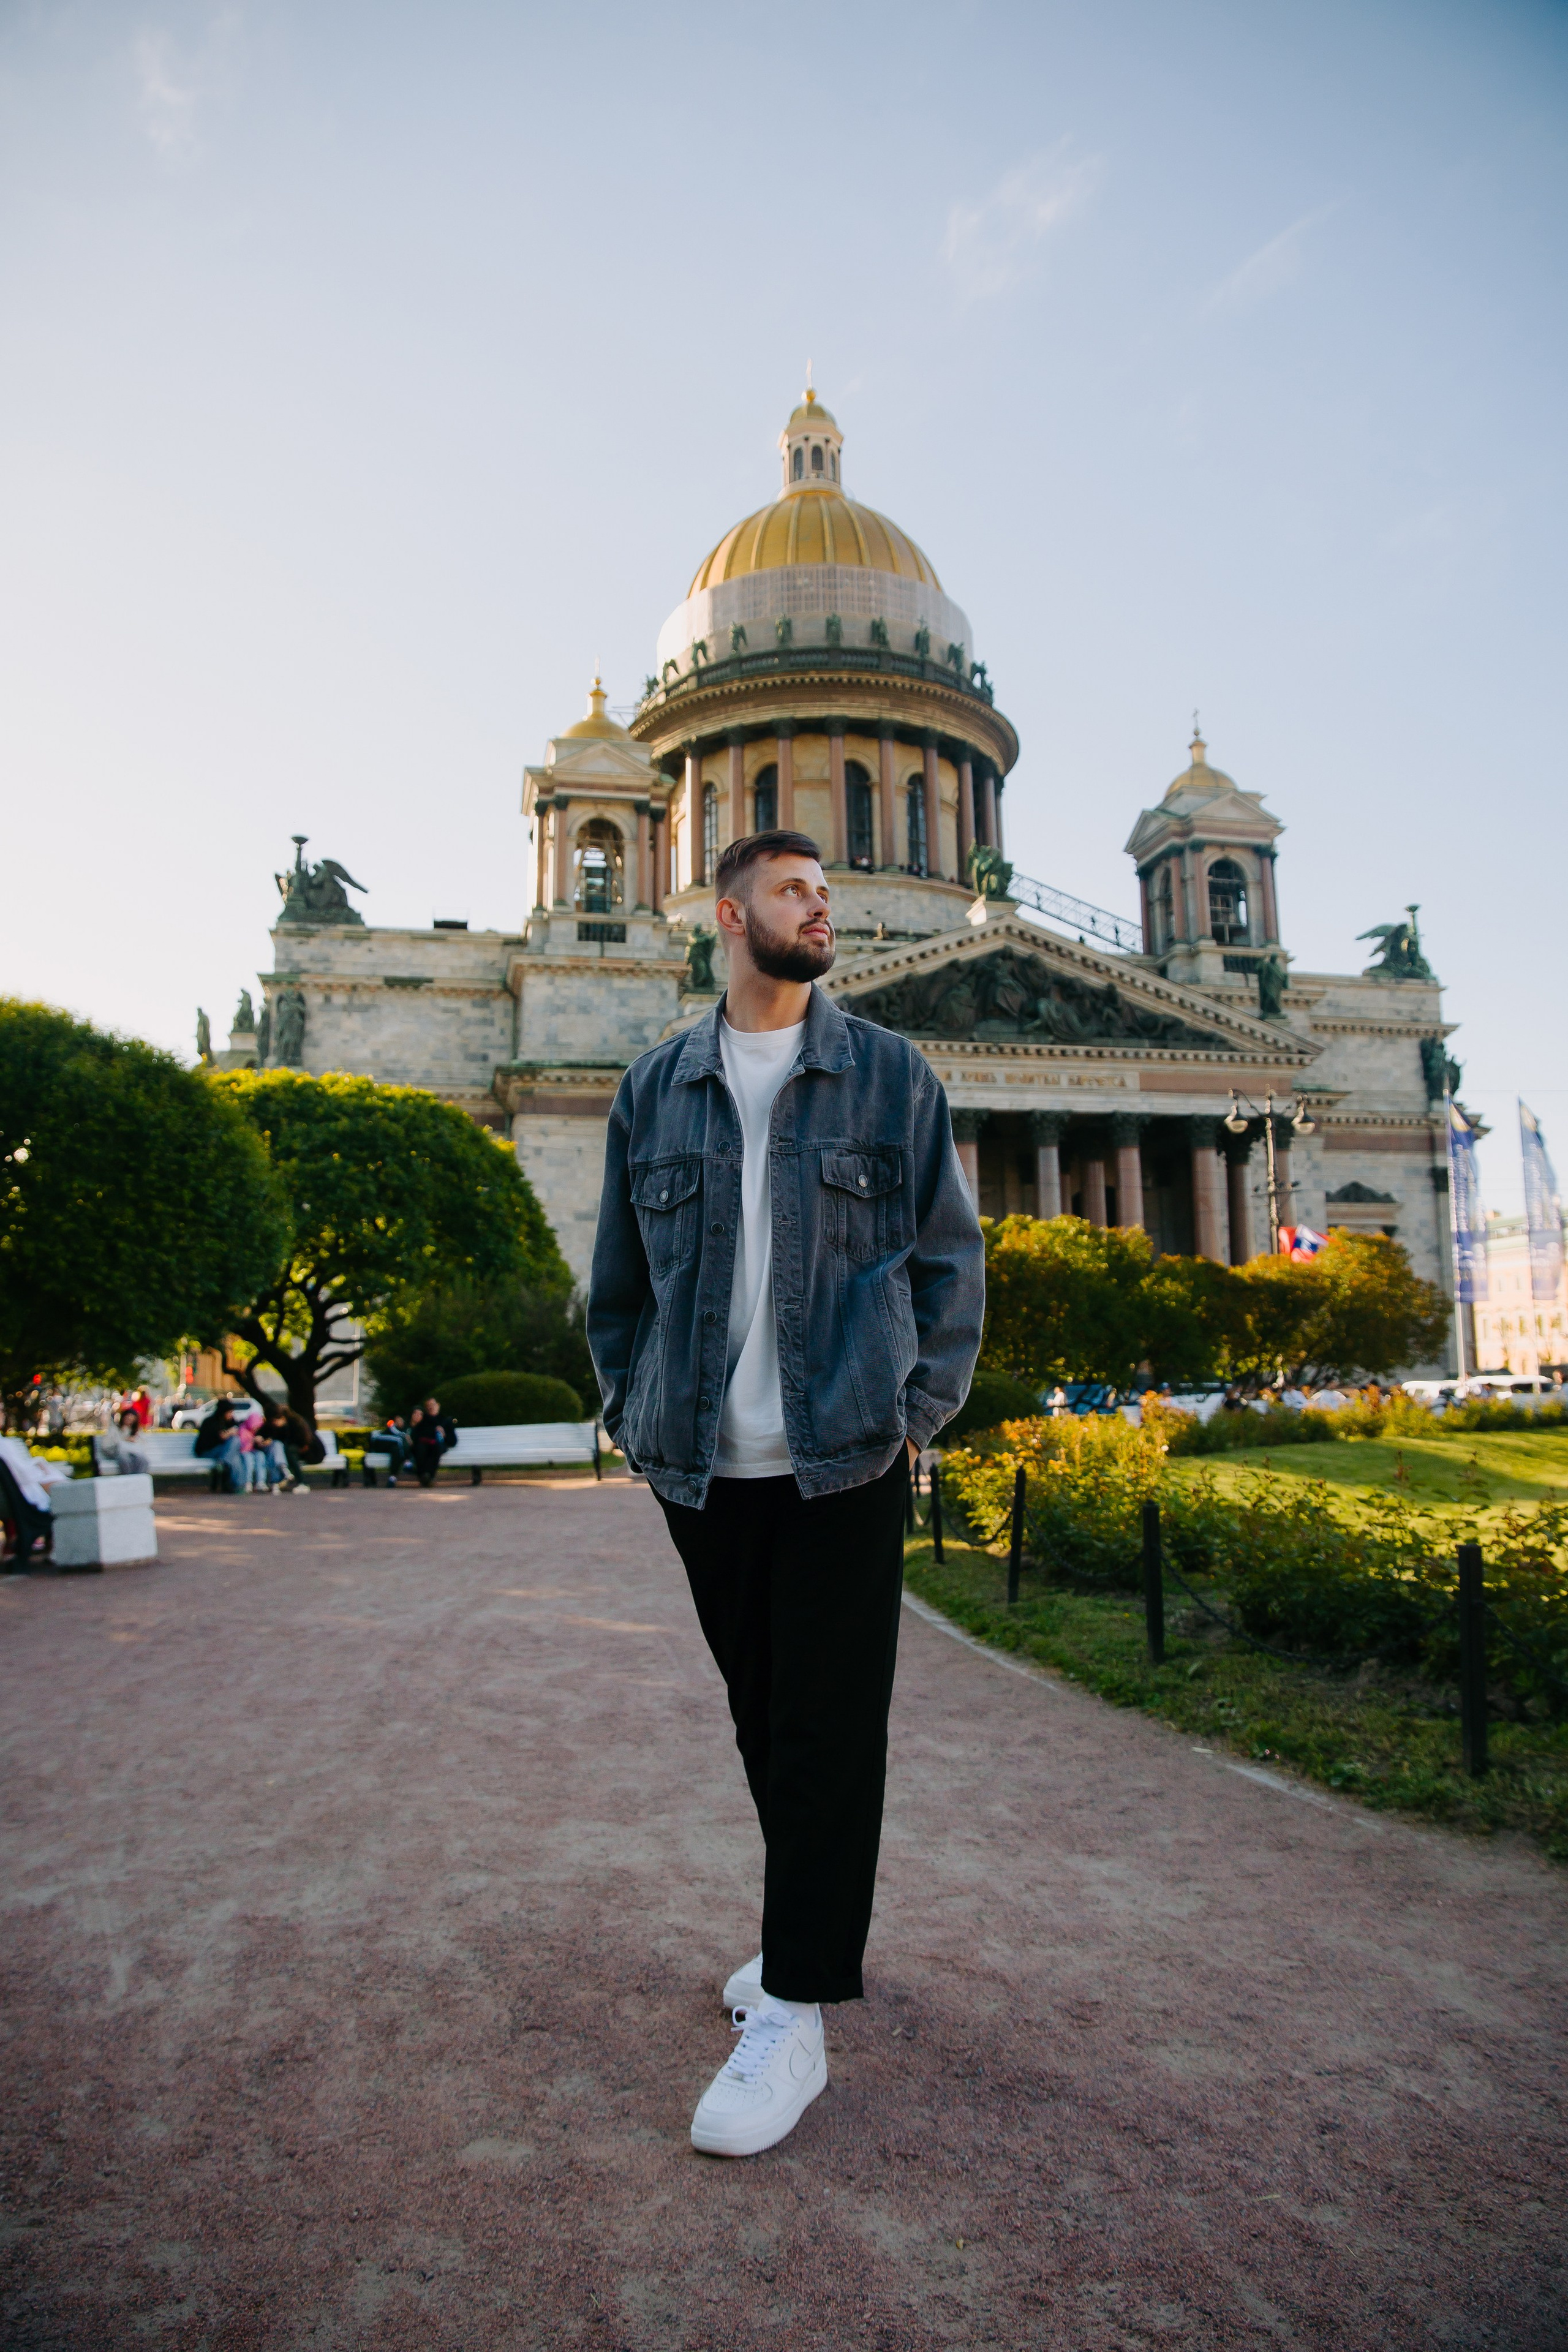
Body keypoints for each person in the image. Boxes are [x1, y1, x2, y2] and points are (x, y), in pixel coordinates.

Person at [588, 829, 984, 2160]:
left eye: (829, 890)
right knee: (765, 1722)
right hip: (704, 1467)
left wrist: (908, 1417)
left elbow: (947, 1263)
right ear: (727, 911)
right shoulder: (653, 1088)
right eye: (795, 890)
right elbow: (618, 1289)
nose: (823, 908)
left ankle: (797, 2007)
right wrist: (634, 1423)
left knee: (826, 1730)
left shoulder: (889, 1073)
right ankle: (793, 1939)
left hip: (841, 1458)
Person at [0, 1433, 70, 1564]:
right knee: (69, 1493)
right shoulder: (3, 1444)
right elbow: (24, 1474)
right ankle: (62, 1549)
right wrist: (40, 1466)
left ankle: (57, 1547)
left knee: (65, 1488)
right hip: (25, 1496)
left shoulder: (4, 1443)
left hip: (18, 1494)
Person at [194, 1397, 249, 1493]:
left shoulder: (231, 1422)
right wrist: (228, 1433)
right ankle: (239, 1486)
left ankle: (223, 1464)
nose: (231, 1415)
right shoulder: (210, 1422)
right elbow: (217, 1439)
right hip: (208, 1451)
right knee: (234, 1454)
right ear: (223, 1412)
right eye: (229, 1412)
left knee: (235, 1455)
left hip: (223, 1453)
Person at [409, 1399, 456, 1488]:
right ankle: (426, 1477)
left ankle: (428, 1476)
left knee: (436, 1448)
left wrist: (444, 1435)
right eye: (428, 1406)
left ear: (438, 1405)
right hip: (423, 1445)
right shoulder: (423, 1421)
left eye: (433, 1405)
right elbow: (415, 1435)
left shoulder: (446, 1420)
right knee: (420, 1448)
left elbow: (453, 1441)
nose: (431, 1407)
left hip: (438, 1446)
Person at [94, 1408, 150, 1477]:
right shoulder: (114, 1429)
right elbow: (106, 1446)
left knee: (143, 1461)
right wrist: (124, 1440)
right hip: (117, 1453)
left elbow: (142, 1444)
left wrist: (135, 1440)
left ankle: (138, 1480)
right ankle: (127, 1479)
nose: (129, 1421)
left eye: (132, 1420)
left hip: (134, 1453)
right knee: (125, 1460)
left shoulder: (136, 1431)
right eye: (127, 1418)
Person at [364, 1413, 410, 1487]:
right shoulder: (392, 1427)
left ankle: (392, 1478)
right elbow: (402, 1436)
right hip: (379, 1442)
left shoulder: (406, 1429)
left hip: (390, 1447)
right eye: (397, 1420)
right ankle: (406, 1461)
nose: (399, 1422)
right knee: (399, 1440)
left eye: (401, 1420)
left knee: (396, 1450)